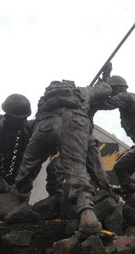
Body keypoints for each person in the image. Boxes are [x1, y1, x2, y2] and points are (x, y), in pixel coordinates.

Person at [14, 66, 112, 237]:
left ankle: (15, 204)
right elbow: (106, 89)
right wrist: (105, 77)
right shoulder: (83, 92)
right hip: (75, 123)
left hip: (45, 124)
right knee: (76, 169)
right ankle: (87, 214)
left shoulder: (46, 100)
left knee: (28, 165)